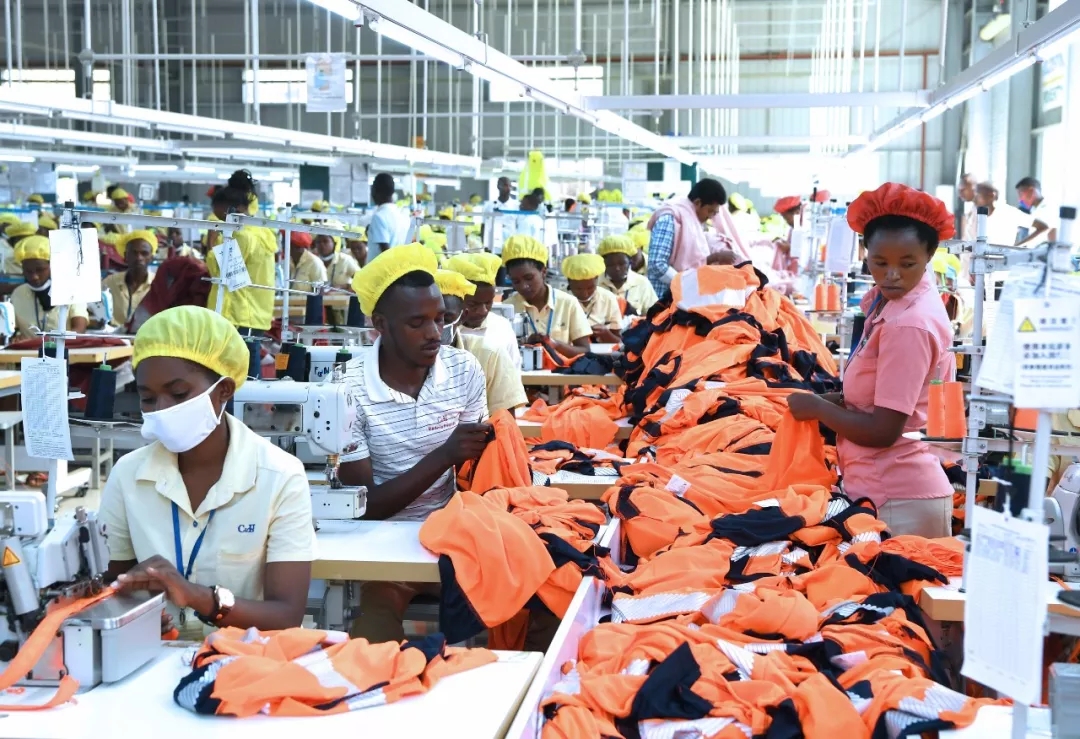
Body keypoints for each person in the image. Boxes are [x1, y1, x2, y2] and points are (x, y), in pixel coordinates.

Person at [102, 306, 315, 640]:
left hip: (247, 656)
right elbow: (110, 589)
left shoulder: (280, 476)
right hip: (154, 654)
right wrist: (135, 614)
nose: (162, 409)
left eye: (179, 394)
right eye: (148, 398)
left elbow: (286, 614)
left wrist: (199, 597)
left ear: (224, 390)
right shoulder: (128, 475)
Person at [338, 244, 490, 642]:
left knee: (520, 599)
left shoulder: (463, 370)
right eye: (417, 323)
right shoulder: (347, 389)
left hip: (455, 535)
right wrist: (444, 456)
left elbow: (479, 473)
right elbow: (365, 507)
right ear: (381, 324)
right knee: (377, 620)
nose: (434, 334)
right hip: (383, 539)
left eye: (440, 319)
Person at [787, 183, 956, 538]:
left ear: (929, 255)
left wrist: (818, 409)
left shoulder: (908, 323)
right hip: (883, 489)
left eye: (907, 264)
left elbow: (883, 431)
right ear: (865, 253)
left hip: (898, 498)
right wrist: (839, 400)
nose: (892, 275)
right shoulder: (887, 303)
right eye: (880, 263)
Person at [436, 269, 526, 414]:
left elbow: (503, 422)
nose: (433, 328)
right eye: (420, 320)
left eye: (445, 319)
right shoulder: (401, 360)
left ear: (462, 316)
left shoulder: (490, 355)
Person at [205, 170, 277, 336]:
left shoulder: (241, 236)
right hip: (255, 314)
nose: (222, 223)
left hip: (238, 316)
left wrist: (211, 244)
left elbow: (222, 274)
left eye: (222, 218)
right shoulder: (262, 232)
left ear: (231, 210)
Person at [502, 235, 592, 356]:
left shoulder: (568, 303)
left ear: (543, 272)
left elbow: (585, 350)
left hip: (561, 368)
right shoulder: (507, 308)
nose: (523, 286)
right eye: (516, 281)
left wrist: (556, 345)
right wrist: (524, 346)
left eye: (529, 278)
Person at [645, 179, 731, 296]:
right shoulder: (671, 219)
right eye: (710, 211)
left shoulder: (693, 221)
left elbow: (693, 262)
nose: (710, 216)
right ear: (698, 203)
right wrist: (685, 283)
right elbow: (657, 265)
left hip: (683, 295)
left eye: (714, 213)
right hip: (663, 296)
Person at [444, 252, 521, 370]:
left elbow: (513, 375)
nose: (483, 311)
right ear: (455, 299)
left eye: (489, 302)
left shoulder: (502, 329)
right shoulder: (444, 331)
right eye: (473, 304)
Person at [9, 236, 89, 340]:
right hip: (28, 350)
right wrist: (14, 338)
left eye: (40, 270)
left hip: (64, 349)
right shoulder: (18, 293)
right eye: (28, 271)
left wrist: (48, 342)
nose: (34, 276)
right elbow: (10, 331)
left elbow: (79, 330)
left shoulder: (72, 290)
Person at [561, 254, 622, 344]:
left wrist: (605, 333)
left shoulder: (608, 298)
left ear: (597, 280)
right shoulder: (560, 299)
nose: (585, 293)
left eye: (590, 288)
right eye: (578, 289)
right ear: (569, 282)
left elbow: (619, 342)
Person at [102, 230, 156, 327]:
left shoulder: (158, 284)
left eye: (144, 253)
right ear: (125, 256)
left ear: (151, 258)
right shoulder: (110, 282)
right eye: (134, 253)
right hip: (114, 335)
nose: (139, 258)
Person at [598, 234, 658, 315]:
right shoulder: (596, 284)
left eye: (622, 264)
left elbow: (655, 315)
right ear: (604, 263)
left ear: (630, 262)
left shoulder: (642, 283)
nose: (617, 268)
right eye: (611, 264)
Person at [975, 181, 1033, 248]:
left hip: (1005, 254)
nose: (975, 199)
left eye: (978, 195)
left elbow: (1041, 227)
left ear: (991, 196)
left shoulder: (1009, 212)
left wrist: (1017, 247)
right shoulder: (977, 215)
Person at [367, 172, 409, 260]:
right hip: (398, 265)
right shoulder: (402, 215)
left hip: (381, 267)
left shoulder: (379, 217)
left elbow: (385, 251)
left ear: (374, 191)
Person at [1015, 176, 1058, 246]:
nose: (1020, 199)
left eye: (1021, 194)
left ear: (1031, 191)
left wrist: (1019, 246)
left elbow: (1047, 229)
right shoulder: (1034, 210)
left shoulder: (1049, 209)